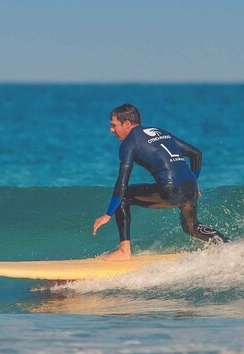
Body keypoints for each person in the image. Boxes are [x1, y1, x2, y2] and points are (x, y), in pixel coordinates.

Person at [92, 103, 227, 260]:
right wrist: (193, 182)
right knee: (191, 227)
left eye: (114, 125)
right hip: (190, 188)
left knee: (124, 197)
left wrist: (108, 213)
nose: (111, 130)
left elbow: (123, 180)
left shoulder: (129, 143)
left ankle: (124, 251)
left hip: (170, 189)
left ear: (127, 124)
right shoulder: (159, 132)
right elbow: (196, 154)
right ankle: (227, 244)